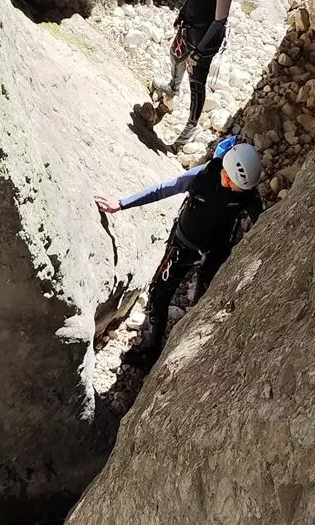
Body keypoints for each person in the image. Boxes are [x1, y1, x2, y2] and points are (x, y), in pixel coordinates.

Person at [97, 139, 262, 369]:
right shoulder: (203, 176)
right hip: (182, 246)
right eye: (228, 179)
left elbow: (263, 223)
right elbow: (163, 189)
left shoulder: (247, 195)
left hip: (216, 250)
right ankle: (151, 352)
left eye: (237, 186)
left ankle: (195, 343)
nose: (231, 186)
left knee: (205, 301)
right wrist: (121, 204)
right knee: (158, 296)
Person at [148, 0, 255, 148]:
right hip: (191, 24)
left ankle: (192, 125)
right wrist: (183, 13)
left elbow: (219, 21)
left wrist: (198, 52)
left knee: (197, 82)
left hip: (206, 37)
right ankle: (173, 87)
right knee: (175, 55)